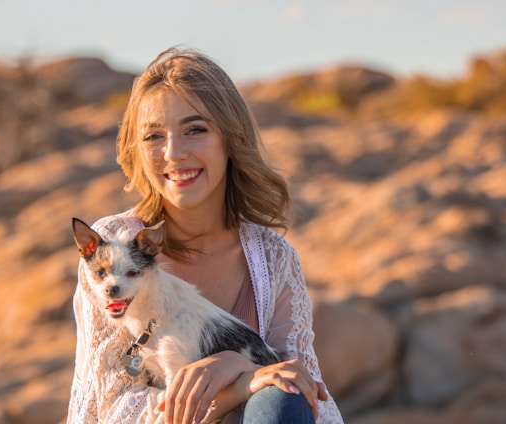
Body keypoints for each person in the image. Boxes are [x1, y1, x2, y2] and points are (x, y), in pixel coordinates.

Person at [67, 47, 344, 424]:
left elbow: (312, 399)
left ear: (229, 138)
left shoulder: (273, 257)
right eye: (153, 136)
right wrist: (240, 377)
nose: (174, 153)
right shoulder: (111, 247)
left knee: (283, 398)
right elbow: (113, 411)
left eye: (195, 130)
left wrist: (241, 369)